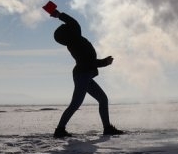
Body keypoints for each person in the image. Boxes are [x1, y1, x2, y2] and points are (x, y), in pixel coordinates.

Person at [50, 9, 124, 138]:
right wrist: (105, 62)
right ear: (69, 32)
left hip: (85, 75)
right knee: (75, 104)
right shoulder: (76, 41)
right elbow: (89, 62)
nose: (69, 26)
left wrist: (59, 15)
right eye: (66, 27)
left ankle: (107, 128)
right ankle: (60, 130)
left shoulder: (74, 41)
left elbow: (73, 23)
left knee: (102, 99)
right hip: (83, 75)